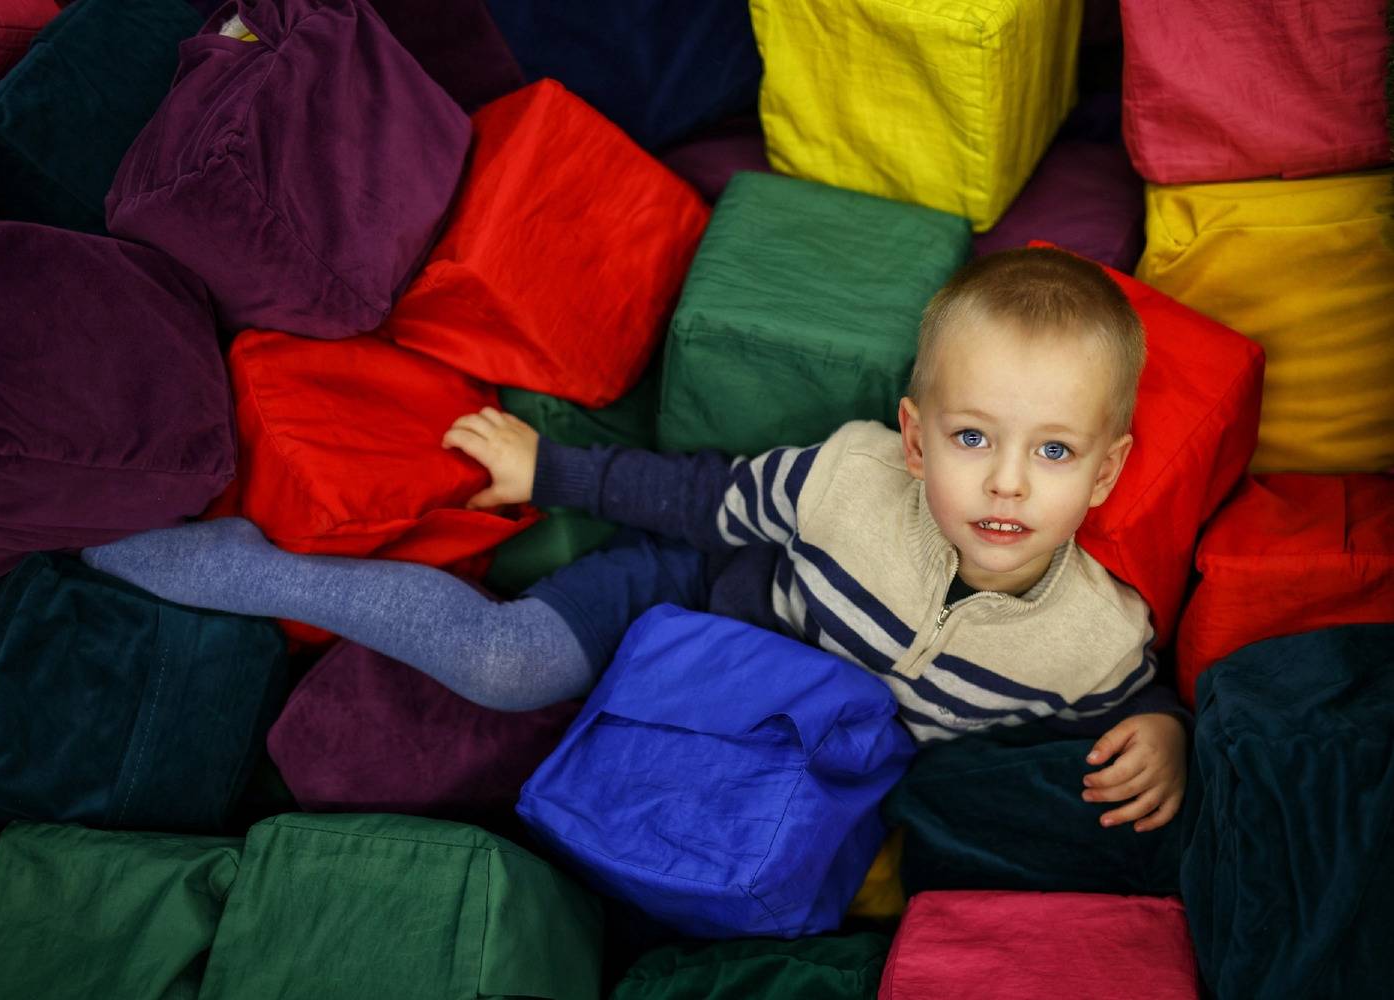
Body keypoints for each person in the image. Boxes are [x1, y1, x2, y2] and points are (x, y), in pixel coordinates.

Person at [83, 247, 1188, 832]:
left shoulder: (1093, 638)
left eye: (1053, 451)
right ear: (913, 437)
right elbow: (705, 499)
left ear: (1106, 471)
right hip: (692, 602)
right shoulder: (847, 481)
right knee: (505, 665)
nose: (1005, 480)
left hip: (780, 740)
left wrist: (1163, 730)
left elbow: (1128, 703)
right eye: (971, 437)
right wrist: (550, 472)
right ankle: (244, 566)